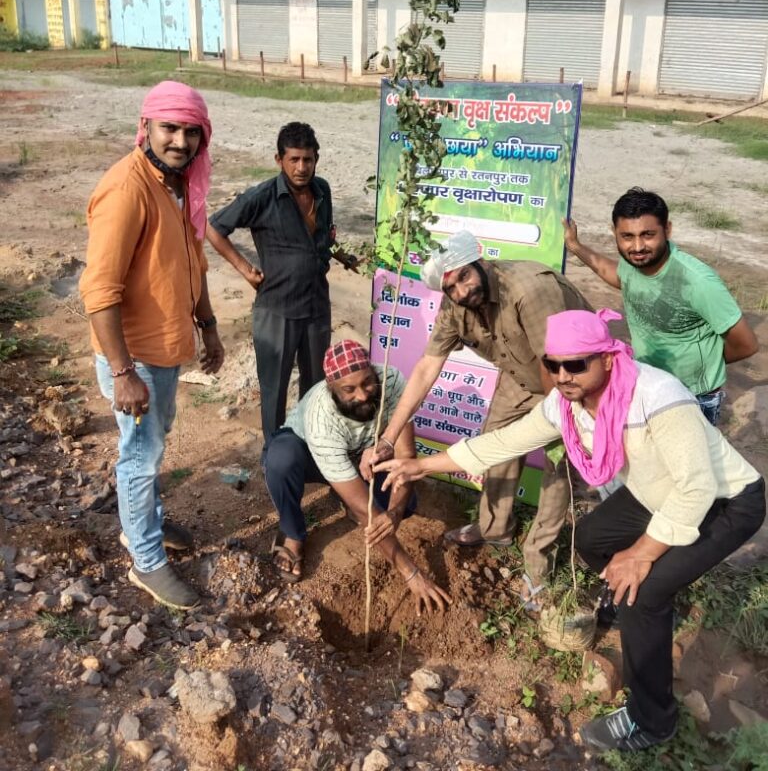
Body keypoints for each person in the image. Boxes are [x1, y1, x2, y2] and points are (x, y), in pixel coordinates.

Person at [376, 308, 765, 753]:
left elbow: (696, 488)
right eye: (553, 364)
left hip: (724, 501)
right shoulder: (566, 404)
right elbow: (504, 442)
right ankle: (642, 609)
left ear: (608, 359)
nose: (563, 374)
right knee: (593, 540)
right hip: (656, 491)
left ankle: (651, 719)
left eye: (576, 363)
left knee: (645, 589)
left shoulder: (658, 396)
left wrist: (640, 555)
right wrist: (421, 464)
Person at [362, 230, 593, 597]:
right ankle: (495, 528)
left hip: (568, 377)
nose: (461, 292)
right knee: (495, 443)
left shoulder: (529, 290)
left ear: (480, 259)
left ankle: (537, 565)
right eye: (450, 288)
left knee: (558, 464)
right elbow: (426, 367)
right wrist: (388, 439)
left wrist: (559, 423)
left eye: (465, 278)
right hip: (521, 375)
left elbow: (559, 363)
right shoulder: (455, 306)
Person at [80, 81, 225, 610]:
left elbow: (193, 260)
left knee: (153, 444)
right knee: (140, 458)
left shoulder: (178, 184)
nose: (181, 141)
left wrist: (207, 325)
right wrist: (123, 372)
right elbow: (98, 290)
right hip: (135, 358)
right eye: (170, 128)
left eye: (191, 132)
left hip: (165, 349)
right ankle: (145, 558)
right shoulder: (127, 190)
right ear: (146, 128)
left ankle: (146, 524)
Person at [262, 340, 450, 615]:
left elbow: (406, 454)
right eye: (349, 390)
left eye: (367, 383)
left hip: (361, 457)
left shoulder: (392, 380)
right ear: (332, 388)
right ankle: (292, 534)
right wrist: (411, 574)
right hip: (307, 456)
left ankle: (347, 496)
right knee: (281, 459)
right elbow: (368, 512)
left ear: (374, 372)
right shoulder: (321, 419)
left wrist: (395, 513)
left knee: (405, 505)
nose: (362, 396)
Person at [207, 122, 352, 445]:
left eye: (308, 160)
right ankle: (274, 455)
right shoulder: (262, 197)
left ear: (317, 159)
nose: (302, 168)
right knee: (274, 387)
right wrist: (245, 269)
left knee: (316, 385)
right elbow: (214, 228)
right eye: (294, 160)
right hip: (277, 311)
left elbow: (324, 236)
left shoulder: (322, 191)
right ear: (279, 159)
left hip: (315, 307)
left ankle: (308, 447)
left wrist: (344, 256)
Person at [563, 186, 758, 425]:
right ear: (614, 232)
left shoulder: (697, 281)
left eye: (647, 234)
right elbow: (613, 273)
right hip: (646, 385)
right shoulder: (633, 265)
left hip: (691, 396)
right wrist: (575, 247)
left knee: (688, 462)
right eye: (627, 236)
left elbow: (746, 344)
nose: (637, 247)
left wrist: (706, 365)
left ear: (667, 229)